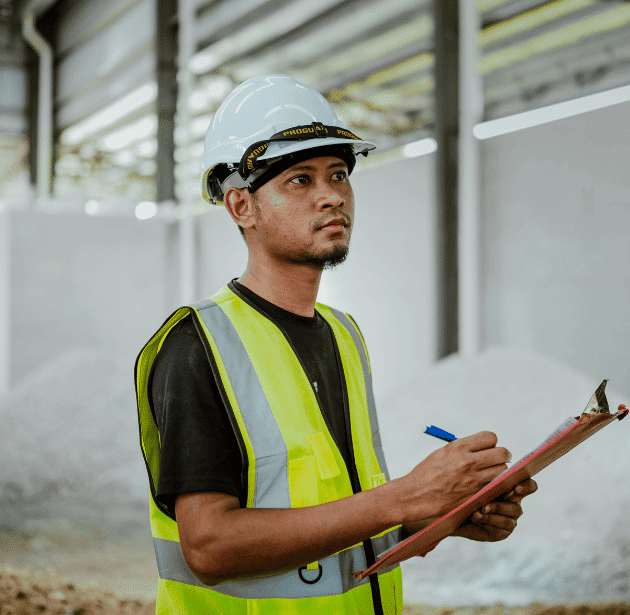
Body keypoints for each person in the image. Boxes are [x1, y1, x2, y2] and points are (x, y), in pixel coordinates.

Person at [134, 74, 537, 615]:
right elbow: (209, 546)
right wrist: (404, 496)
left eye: (339, 175)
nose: (332, 196)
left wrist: (442, 514)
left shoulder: (344, 335)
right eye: (299, 179)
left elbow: (339, 521)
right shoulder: (197, 345)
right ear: (240, 207)